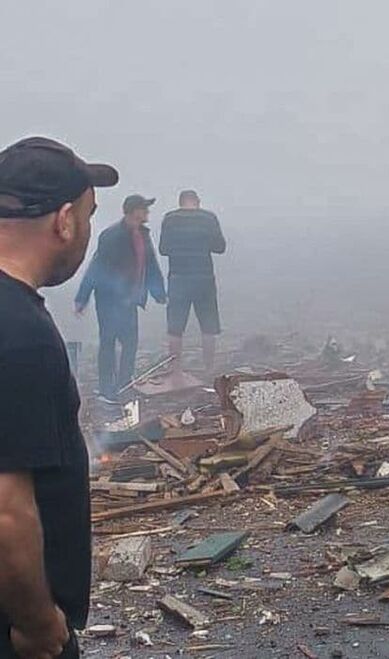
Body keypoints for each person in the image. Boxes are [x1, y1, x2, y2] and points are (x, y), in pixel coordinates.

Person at [0, 136, 119, 658]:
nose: (87, 233)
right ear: (64, 220)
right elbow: (6, 509)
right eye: (90, 217)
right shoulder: (20, 334)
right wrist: (36, 623)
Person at [75, 194, 166, 402]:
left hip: (130, 300)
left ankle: (124, 384)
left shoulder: (143, 234)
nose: (147, 212)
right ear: (133, 211)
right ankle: (106, 389)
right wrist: (83, 297)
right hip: (109, 300)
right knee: (108, 342)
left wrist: (158, 291)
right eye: (144, 209)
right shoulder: (111, 236)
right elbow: (96, 267)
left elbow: (150, 263)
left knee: (130, 342)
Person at [159, 190, 225, 376]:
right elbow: (220, 247)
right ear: (197, 202)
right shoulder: (208, 218)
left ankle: (175, 369)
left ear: (180, 202)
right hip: (204, 277)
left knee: (175, 327)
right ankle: (209, 368)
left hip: (178, 277)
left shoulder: (170, 219)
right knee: (208, 325)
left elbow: (163, 249)